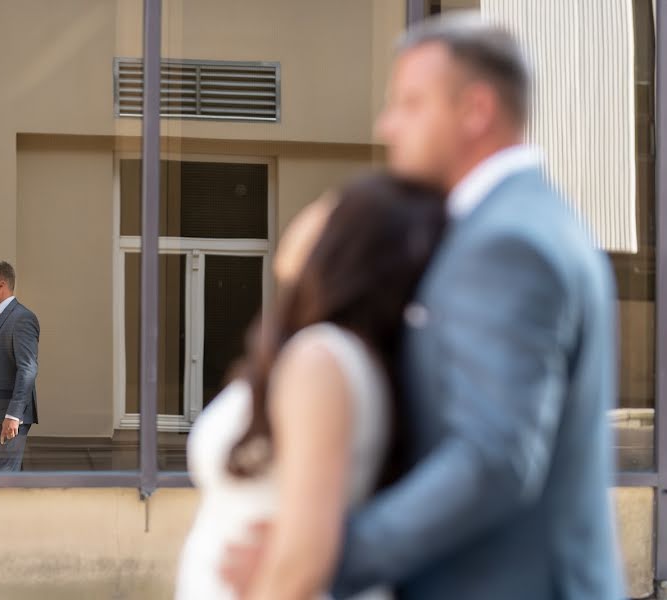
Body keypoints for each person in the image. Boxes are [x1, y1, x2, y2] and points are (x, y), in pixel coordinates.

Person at [223, 12, 624, 600]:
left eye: (410, 104)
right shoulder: (527, 222)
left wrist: (323, 559)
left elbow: (493, 459)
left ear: (476, 111)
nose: (387, 126)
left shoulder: (504, 243)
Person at [174, 174, 447, 600]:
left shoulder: (320, 359)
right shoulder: (343, 354)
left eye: (327, 206)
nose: (305, 215)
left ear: (345, 243)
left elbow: (304, 563)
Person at [0, 261, 40, 471]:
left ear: (1, 285)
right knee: (5, 476)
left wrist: (13, 415)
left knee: (3, 478)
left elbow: (28, 368)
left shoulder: (22, 318)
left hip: (9, 415)